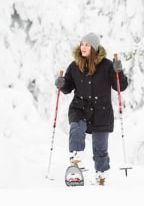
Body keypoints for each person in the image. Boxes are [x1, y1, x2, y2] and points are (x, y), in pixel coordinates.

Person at [54, 32, 128, 185]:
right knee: (76, 128)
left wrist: (118, 72)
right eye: (82, 44)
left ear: (94, 47)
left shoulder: (107, 66)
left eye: (87, 44)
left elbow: (121, 86)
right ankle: (75, 161)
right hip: (80, 108)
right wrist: (61, 84)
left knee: (100, 149)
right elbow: (67, 87)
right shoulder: (75, 66)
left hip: (102, 112)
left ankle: (101, 176)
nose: (83, 47)